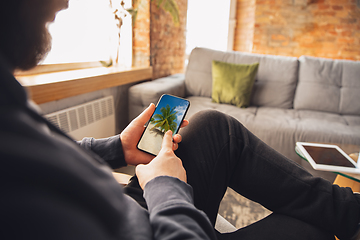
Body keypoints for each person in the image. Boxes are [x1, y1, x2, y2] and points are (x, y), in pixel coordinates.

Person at [0, 0, 359, 239]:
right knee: (308, 231)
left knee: (215, 128)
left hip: (133, 208)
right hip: (158, 226)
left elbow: (51, 161)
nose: (64, 3)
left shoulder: (9, 102)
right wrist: (167, 187)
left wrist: (117, 148)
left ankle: (350, 211)